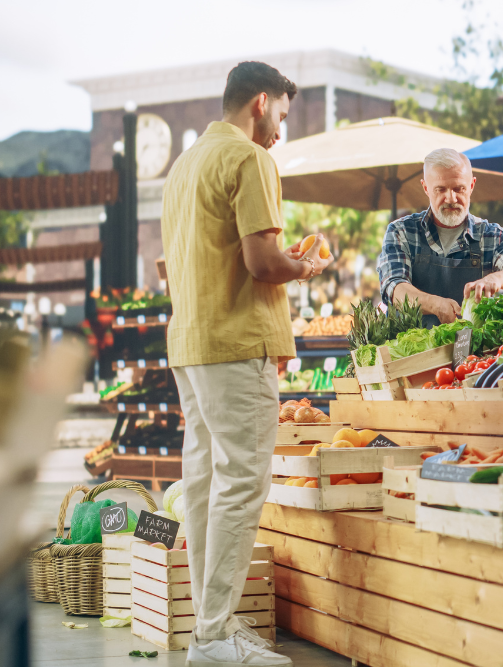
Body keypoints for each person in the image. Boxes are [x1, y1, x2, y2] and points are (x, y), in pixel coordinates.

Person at [161, 61, 333, 667]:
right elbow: (263, 263)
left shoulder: (184, 166)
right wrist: (306, 265)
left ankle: (212, 629)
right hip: (237, 343)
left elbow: (194, 259)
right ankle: (212, 637)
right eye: (282, 116)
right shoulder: (250, 159)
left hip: (190, 343)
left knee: (207, 486)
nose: (280, 132)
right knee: (241, 486)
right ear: (261, 102)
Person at [377, 148, 503, 326]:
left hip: (473, 350)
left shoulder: (492, 236)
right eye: (440, 189)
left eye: (458, 188)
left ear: (471, 186)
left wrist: (496, 279)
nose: (451, 198)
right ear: (425, 188)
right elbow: (394, 288)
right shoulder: (401, 232)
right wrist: (436, 305)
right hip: (412, 350)